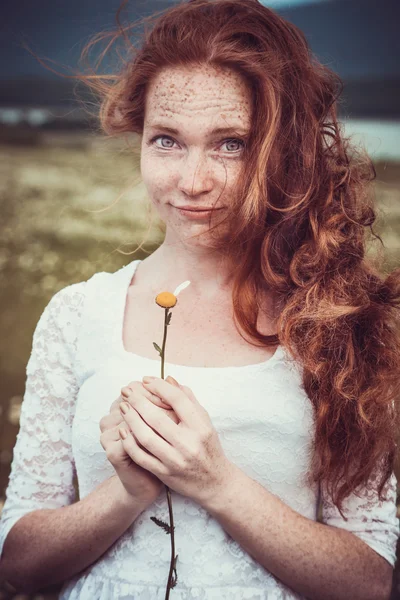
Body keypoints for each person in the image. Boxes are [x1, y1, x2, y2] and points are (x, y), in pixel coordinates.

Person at [0, 0, 399, 598]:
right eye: (167, 141)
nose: (192, 180)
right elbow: (18, 566)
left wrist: (214, 482)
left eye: (230, 144)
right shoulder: (77, 314)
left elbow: (369, 582)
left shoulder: (337, 321)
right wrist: (127, 492)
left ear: (284, 151)